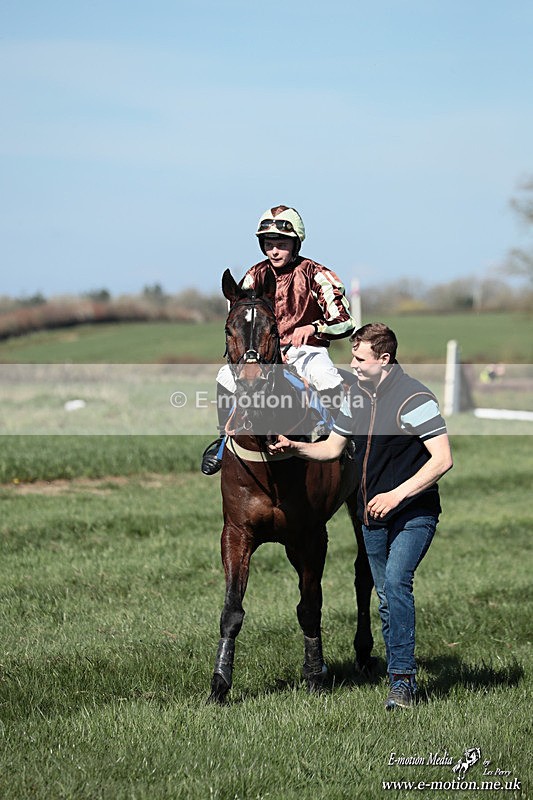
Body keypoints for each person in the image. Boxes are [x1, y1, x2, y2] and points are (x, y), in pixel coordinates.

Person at [268, 323, 453, 709]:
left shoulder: (414, 398)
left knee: (397, 584)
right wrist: (295, 447)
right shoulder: (355, 399)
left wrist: (397, 494)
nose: (351, 364)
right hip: (372, 515)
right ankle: (398, 673)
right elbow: (333, 448)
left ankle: (402, 683)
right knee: (385, 597)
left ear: (384, 359)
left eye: (359, 358)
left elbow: (443, 460)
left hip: (413, 513)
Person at [201, 204, 356, 475]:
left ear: (295, 243)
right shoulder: (254, 275)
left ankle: (336, 440)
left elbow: (346, 322)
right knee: (225, 376)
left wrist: (314, 327)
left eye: (281, 244)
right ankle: (224, 441)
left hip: (306, 351)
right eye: (269, 244)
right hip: (263, 354)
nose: (274, 251)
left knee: (325, 376)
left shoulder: (316, 273)